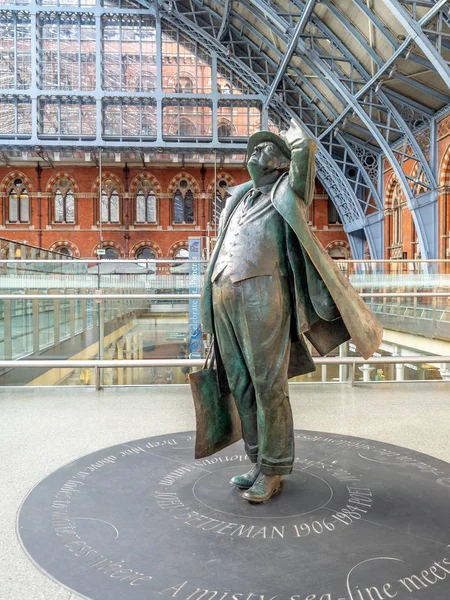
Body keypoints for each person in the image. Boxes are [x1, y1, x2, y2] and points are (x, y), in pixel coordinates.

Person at [199, 119, 382, 503]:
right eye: (254, 147)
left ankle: (274, 468)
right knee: (240, 384)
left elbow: (305, 156)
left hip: (264, 295)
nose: (255, 152)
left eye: (266, 148)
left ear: (281, 163)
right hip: (223, 297)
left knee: (269, 385)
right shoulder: (238, 199)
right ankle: (256, 461)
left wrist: (295, 133)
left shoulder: (288, 191)